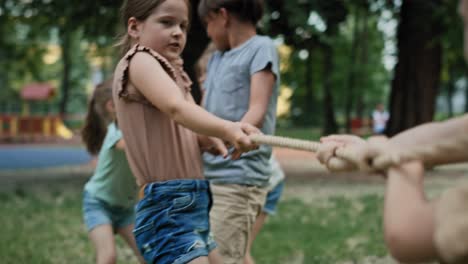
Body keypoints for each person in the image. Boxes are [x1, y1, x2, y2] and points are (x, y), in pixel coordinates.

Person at [112, 0, 260, 263]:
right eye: (167, 22)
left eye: (183, 25)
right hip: (168, 206)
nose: (178, 32)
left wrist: (213, 139)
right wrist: (227, 127)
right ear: (135, 26)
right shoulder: (140, 60)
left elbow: (191, 123)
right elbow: (176, 108)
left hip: (195, 201)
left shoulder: (174, 73)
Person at [197, 0, 280, 262]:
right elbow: (202, 114)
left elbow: (257, 108)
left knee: (223, 258)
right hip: (207, 177)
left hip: (238, 180)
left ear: (222, 16)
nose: (208, 33)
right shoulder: (216, 59)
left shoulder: (261, 47)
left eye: (207, 24)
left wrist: (237, 139)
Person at [81, 79, 145, 264]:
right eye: (134, 100)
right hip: (98, 203)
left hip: (125, 208)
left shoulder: (132, 129)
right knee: (108, 257)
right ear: (112, 106)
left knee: (147, 255)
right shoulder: (116, 130)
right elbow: (130, 146)